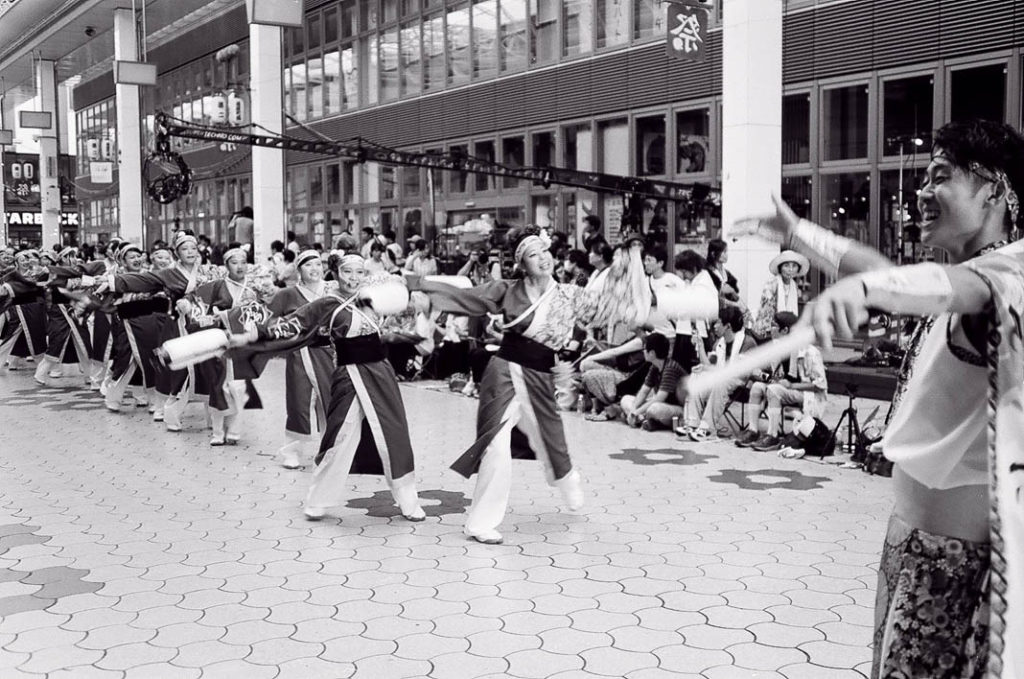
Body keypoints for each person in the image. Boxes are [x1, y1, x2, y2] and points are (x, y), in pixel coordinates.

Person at [740, 118, 1024, 679]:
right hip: (915, 542)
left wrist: (866, 290)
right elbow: (900, 276)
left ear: (995, 188)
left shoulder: (1008, 275)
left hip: (955, 564)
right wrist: (801, 234)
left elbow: (946, 289)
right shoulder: (969, 271)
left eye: (940, 176)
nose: (921, 192)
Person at [410, 228, 714, 544]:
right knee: (494, 446)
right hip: (502, 372)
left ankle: (566, 478)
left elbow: (609, 306)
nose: (542, 258)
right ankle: (481, 522)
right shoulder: (506, 290)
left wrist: (637, 281)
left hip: (541, 375)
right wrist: (420, 288)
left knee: (552, 440)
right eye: (533, 254)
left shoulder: (571, 295)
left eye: (545, 251)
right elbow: (466, 297)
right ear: (521, 264)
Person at [228, 254, 426, 522]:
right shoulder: (329, 303)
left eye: (359, 272)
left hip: (381, 376)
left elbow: (408, 318)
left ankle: (408, 501)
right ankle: (318, 499)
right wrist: (256, 334)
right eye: (347, 272)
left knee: (395, 435)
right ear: (336, 273)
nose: (353, 278)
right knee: (339, 436)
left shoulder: (372, 300)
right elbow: (293, 324)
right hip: (349, 375)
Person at [740, 311, 827, 452]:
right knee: (756, 387)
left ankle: (772, 435)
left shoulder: (810, 352)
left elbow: (820, 385)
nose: (770, 328)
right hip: (783, 388)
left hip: (806, 394)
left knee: (774, 390)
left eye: (774, 325)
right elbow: (770, 373)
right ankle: (753, 430)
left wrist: (792, 385)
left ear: (785, 330)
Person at [680, 306, 757, 442]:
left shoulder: (747, 343)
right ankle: (693, 423)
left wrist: (709, 370)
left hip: (742, 382)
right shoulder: (719, 343)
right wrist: (701, 347)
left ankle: (709, 429)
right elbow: (709, 366)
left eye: (718, 322)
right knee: (698, 377)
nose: (714, 326)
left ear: (727, 326)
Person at [618, 333, 686, 431]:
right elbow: (644, 391)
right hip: (662, 405)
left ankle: (643, 420)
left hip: (678, 409)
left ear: (652, 353)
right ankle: (645, 421)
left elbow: (659, 398)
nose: (643, 352)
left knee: (654, 409)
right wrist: (633, 410)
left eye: (644, 349)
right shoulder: (655, 366)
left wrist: (636, 413)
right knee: (625, 399)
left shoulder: (670, 368)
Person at [672, 250, 716, 371]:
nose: (683, 275)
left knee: (686, 372)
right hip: (686, 332)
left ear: (693, 268)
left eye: (684, 271)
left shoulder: (703, 283)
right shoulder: (695, 280)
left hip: (693, 334)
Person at [750, 250, 808, 342]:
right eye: (786, 266)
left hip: (785, 329)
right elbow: (766, 310)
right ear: (780, 268)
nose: (790, 269)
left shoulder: (794, 285)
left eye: (794, 266)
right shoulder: (772, 283)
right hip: (767, 329)